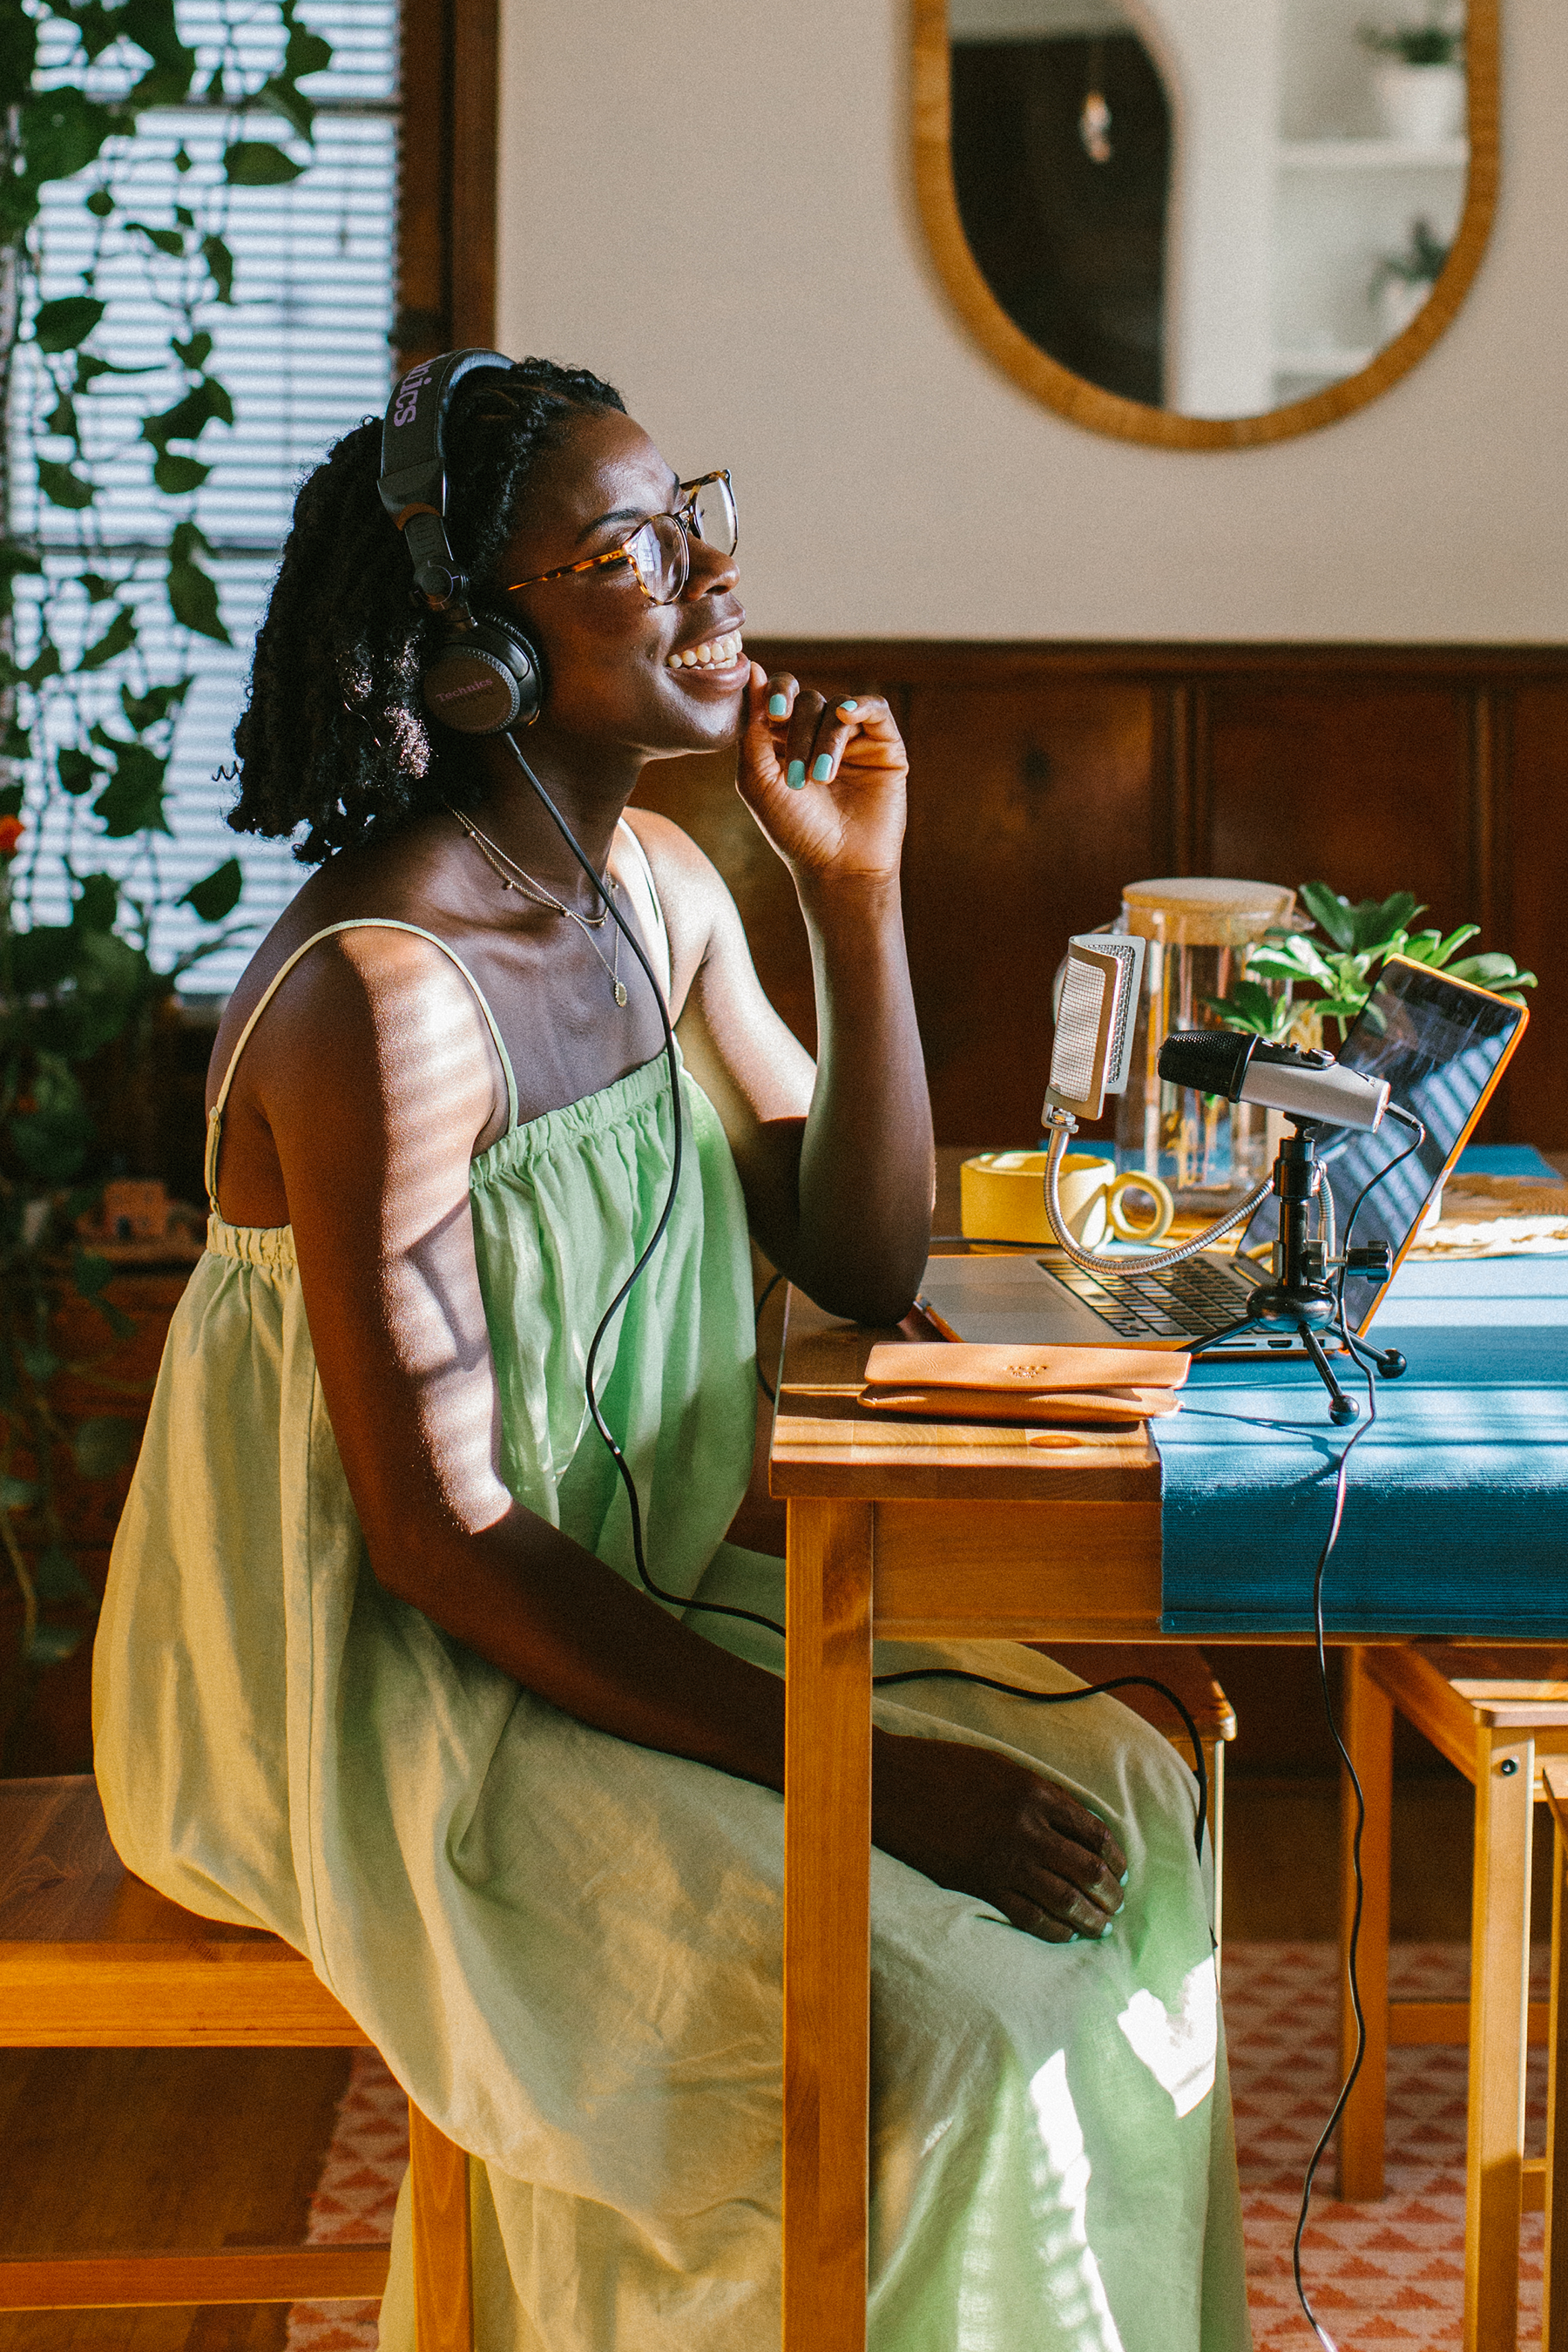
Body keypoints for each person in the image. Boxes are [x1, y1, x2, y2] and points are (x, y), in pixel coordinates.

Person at [92, 357, 1251, 2351]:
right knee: (948, 2032)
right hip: (387, 1695)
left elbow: (866, 1260)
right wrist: (867, 1782)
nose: (715, 578)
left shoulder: (654, 887)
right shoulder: (383, 1000)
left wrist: (854, 894)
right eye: (633, 549)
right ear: (479, 660)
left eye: (695, 515)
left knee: (1139, 1802)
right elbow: (440, 1547)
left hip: (619, 1611)